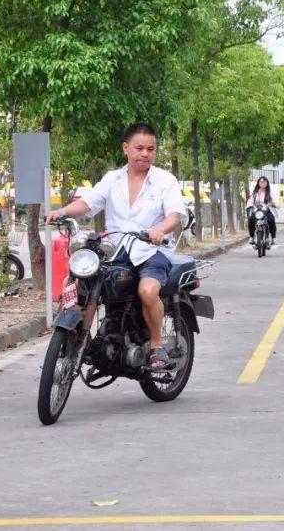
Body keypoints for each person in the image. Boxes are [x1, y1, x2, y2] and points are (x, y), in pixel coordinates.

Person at [45, 123, 186, 372]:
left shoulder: (165, 180)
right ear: (126, 148)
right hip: (116, 249)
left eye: (150, 149)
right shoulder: (112, 179)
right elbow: (88, 204)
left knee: (148, 290)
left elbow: (175, 215)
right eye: (139, 148)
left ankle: (155, 346)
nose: (145, 154)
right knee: (85, 285)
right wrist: (62, 212)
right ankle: (80, 342)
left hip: (151, 251)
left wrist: (160, 230)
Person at [246, 175, 278, 246]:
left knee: (271, 220)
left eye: (264, 182)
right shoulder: (255, 192)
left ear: (267, 183)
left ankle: (273, 238)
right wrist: (249, 206)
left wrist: (276, 204)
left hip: (267, 209)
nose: (262, 183)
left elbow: (275, 200)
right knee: (251, 219)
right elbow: (250, 201)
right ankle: (251, 236)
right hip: (257, 210)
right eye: (261, 182)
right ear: (258, 183)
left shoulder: (270, 192)